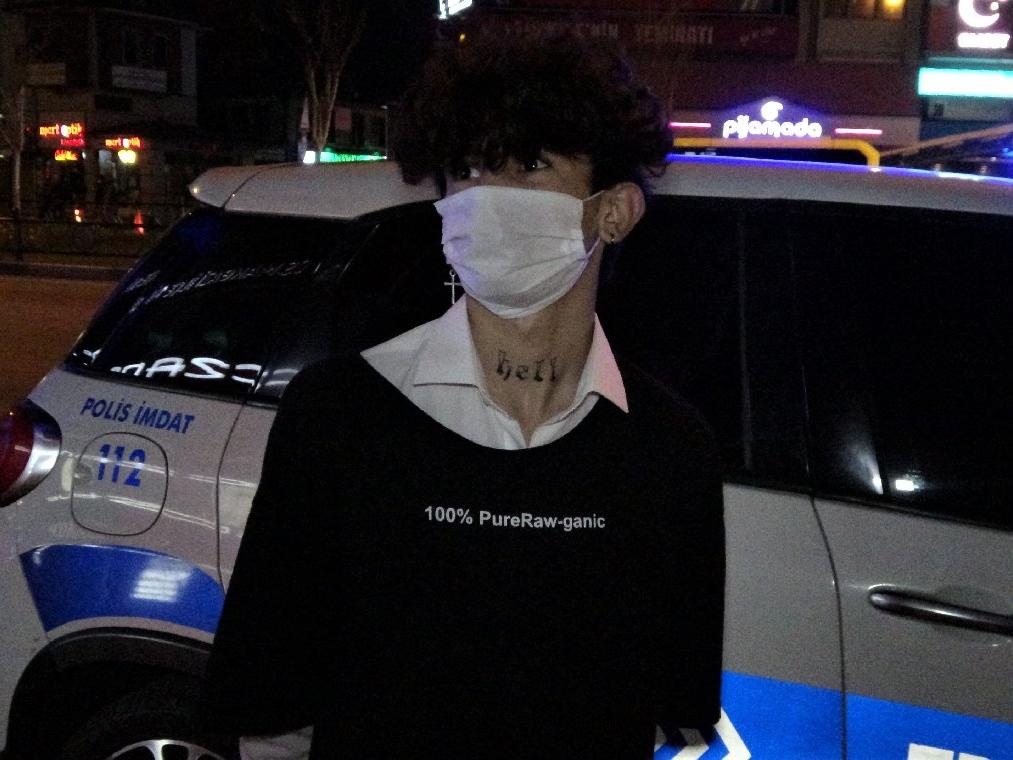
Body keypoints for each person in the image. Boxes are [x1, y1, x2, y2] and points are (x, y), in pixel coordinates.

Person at [202, 30, 725, 760]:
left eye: (529, 165)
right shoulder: (339, 417)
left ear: (614, 211)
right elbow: (270, 703)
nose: (485, 198)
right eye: (468, 170)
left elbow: (667, 705)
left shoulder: (670, 448)